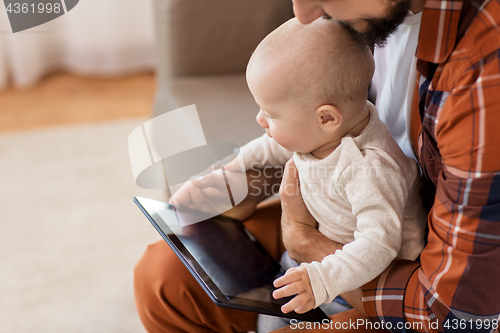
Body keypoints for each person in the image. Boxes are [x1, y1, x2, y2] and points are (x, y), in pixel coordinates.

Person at [134, 0, 500, 331]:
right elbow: (309, 137)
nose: (304, 13)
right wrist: (241, 179)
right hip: (335, 219)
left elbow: (455, 316)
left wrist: (306, 243)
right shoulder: (366, 23)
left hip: (396, 271)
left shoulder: (482, 77)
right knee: (165, 279)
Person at [229, 17, 426, 332]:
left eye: (270, 113)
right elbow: (273, 146)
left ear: (327, 118)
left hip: (354, 280)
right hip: (316, 260)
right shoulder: (328, 131)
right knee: (263, 313)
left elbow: (378, 244)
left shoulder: (368, 168)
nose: (259, 119)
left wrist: (321, 279)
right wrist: (231, 166)